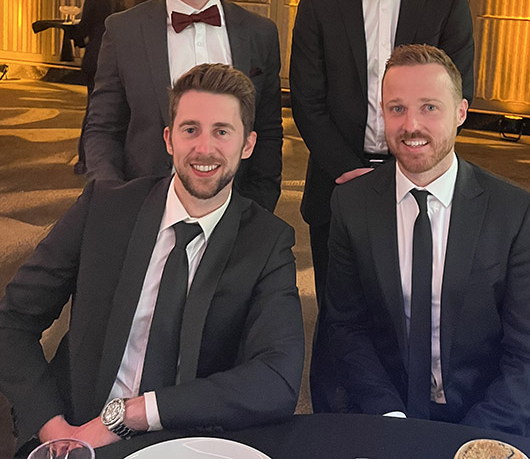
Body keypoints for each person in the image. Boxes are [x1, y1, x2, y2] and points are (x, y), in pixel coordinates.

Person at [0, 64, 304, 454]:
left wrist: (134, 413)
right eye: (190, 129)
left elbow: (277, 377)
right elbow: (12, 321)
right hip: (75, 429)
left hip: (186, 438)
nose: (204, 148)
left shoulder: (267, 241)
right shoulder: (105, 209)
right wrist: (52, 426)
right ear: (169, 139)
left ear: (247, 145)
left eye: (222, 132)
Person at [322, 44, 530, 443]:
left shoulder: (515, 214)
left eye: (429, 107)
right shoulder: (352, 204)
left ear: (461, 113)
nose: (411, 124)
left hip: (489, 410)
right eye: (396, 108)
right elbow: (347, 328)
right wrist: (389, 415)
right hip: (387, 406)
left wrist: (472, 441)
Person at [290, 0, 475, 301]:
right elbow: (307, 99)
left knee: (411, 306)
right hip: (336, 182)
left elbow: (453, 100)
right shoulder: (318, 2)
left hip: (420, 179)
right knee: (338, 311)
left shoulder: (448, 1)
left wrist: (408, 166)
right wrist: (348, 172)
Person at [85, 0, 283, 211]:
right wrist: (113, 196)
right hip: (141, 206)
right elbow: (102, 127)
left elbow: (269, 131)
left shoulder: (260, 33)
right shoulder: (123, 31)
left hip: (236, 209)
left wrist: (258, 207)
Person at [71, 0, 135, 173]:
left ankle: (85, 160)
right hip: (125, 60)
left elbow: (85, 26)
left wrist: (78, 40)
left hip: (97, 58)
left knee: (94, 109)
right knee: (121, 109)